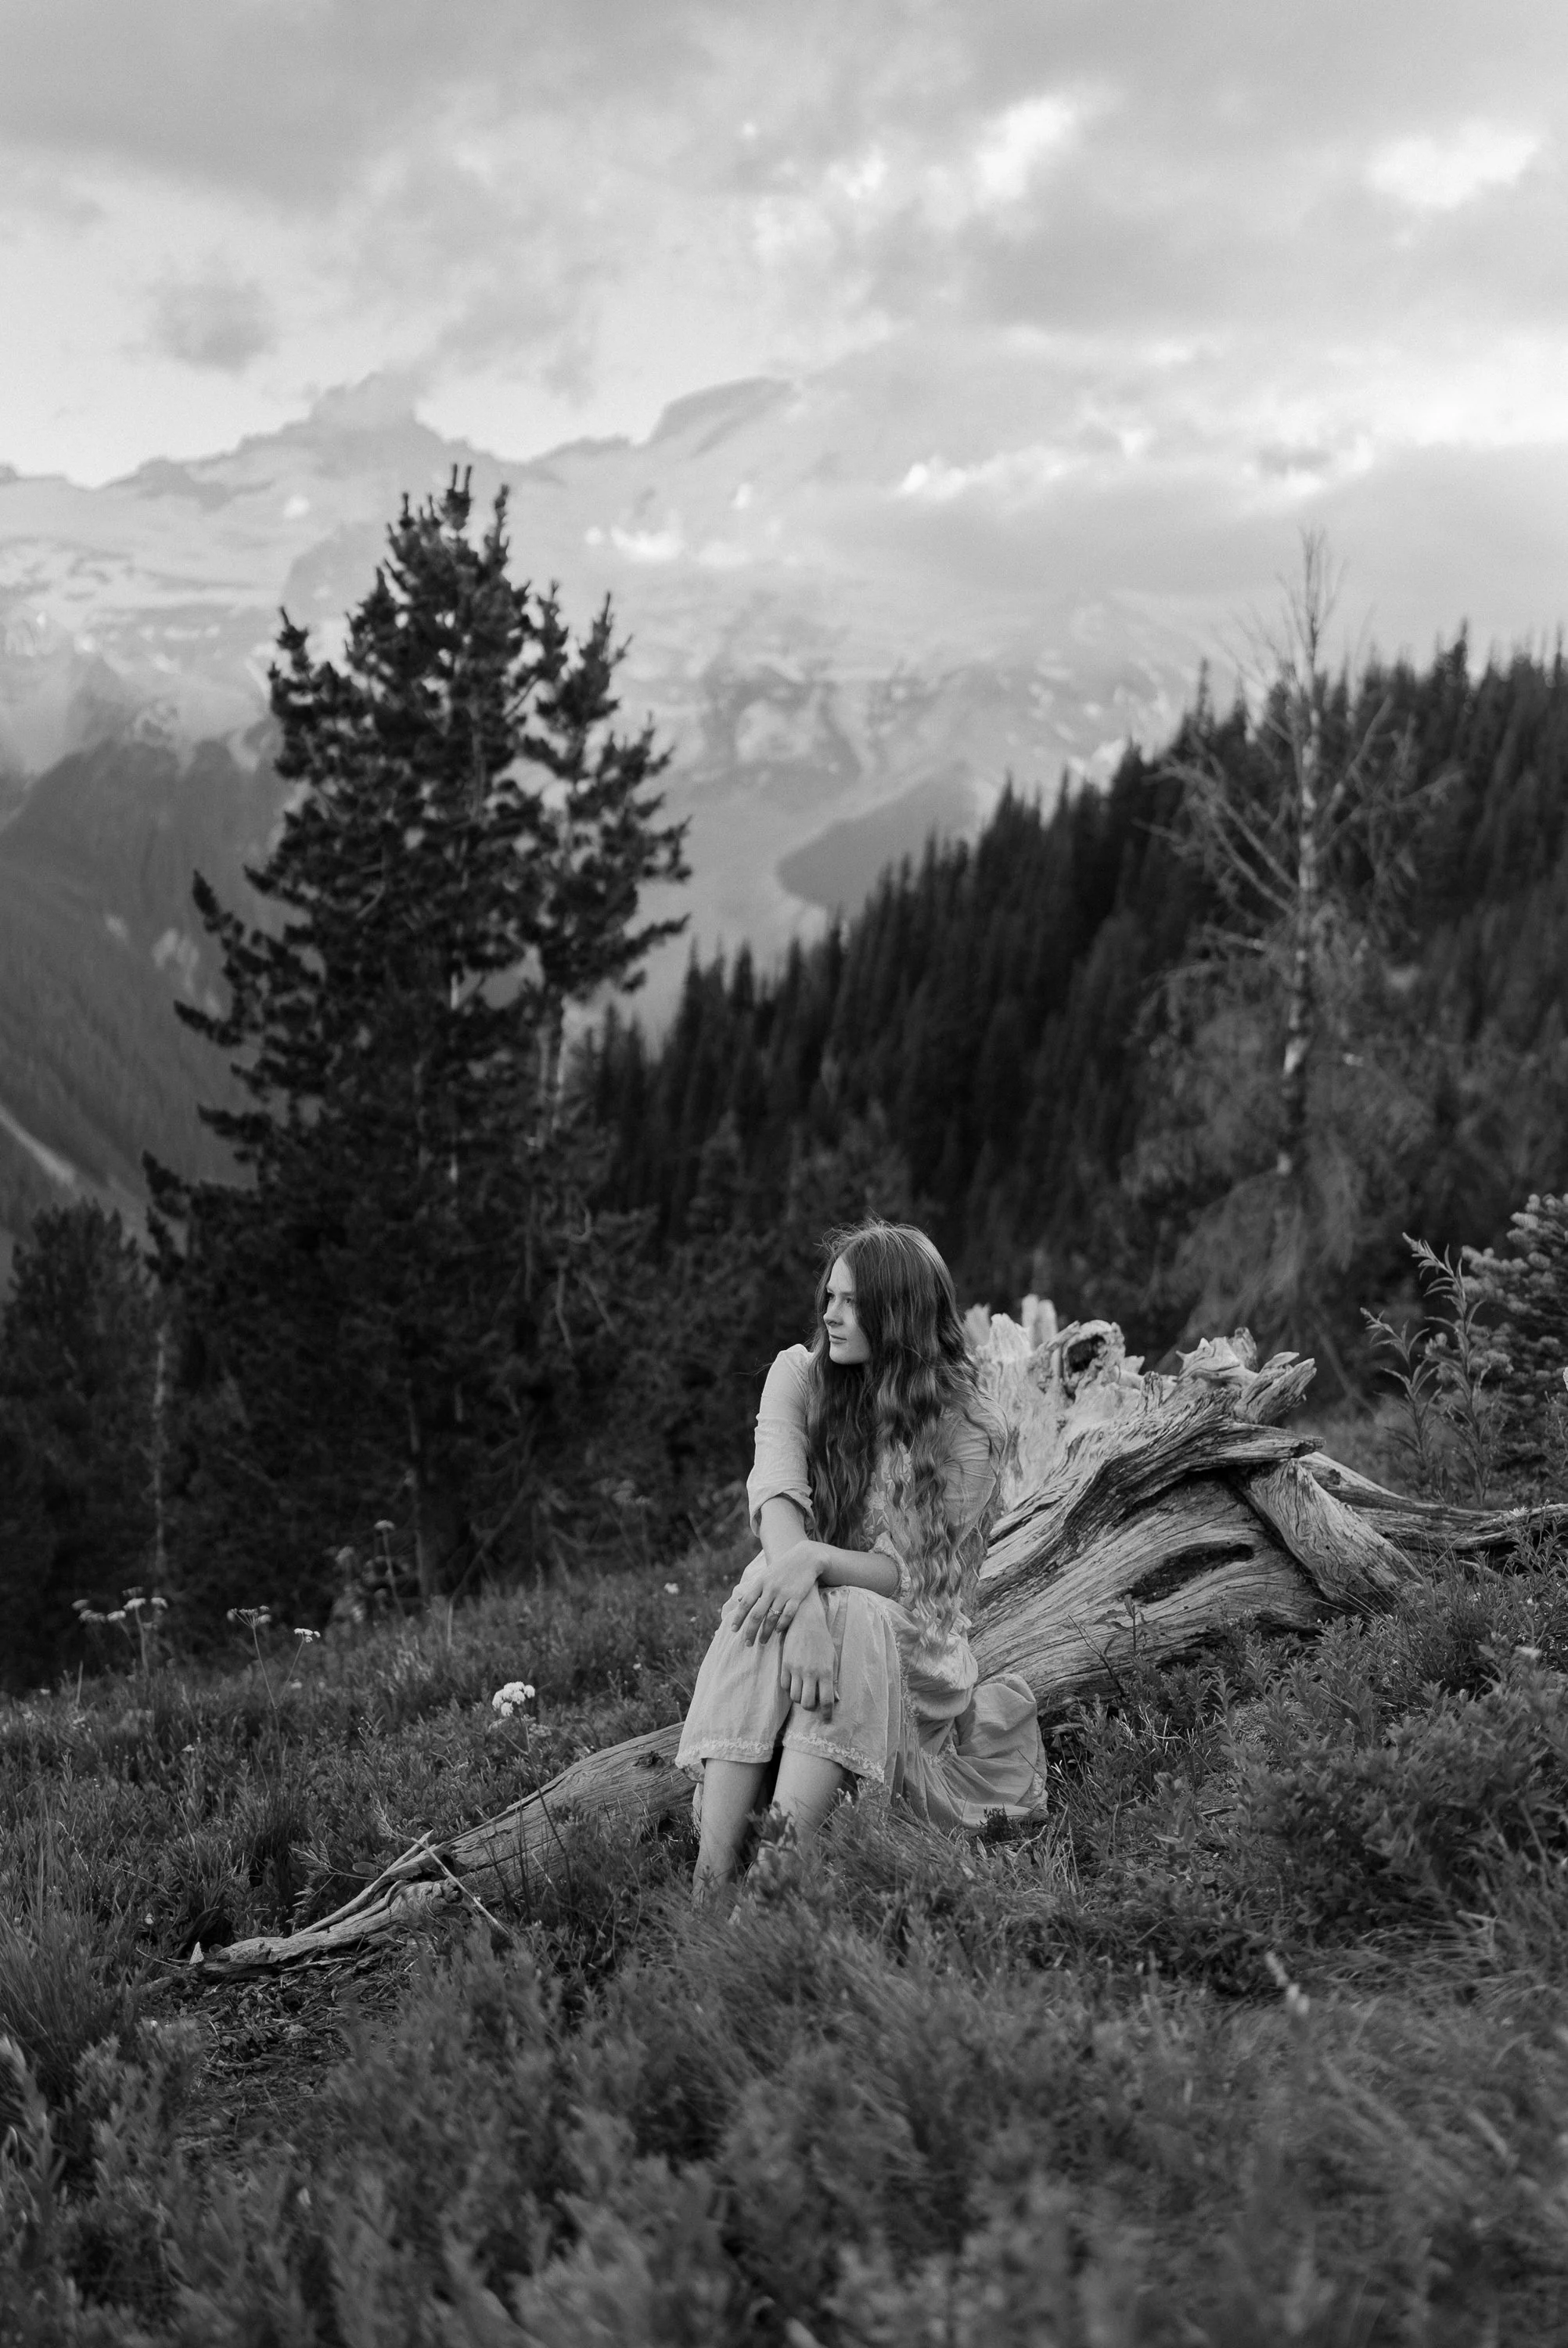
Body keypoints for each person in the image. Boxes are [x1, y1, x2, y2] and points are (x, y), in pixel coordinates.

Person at [678, 1219, 1047, 1892]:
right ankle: (710, 1882)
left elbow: (902, 1577)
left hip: (910, 1649)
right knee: (770, 1575)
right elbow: (777, 1502)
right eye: (830, 1297)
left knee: (845, 1606)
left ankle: (770, 1887)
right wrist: (809, 1605)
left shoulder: (967, 1427)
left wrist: (814, 1572)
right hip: (810, 1622)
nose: (830, 1314)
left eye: (851, 1302)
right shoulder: (798, 1375)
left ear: (898, 1314)